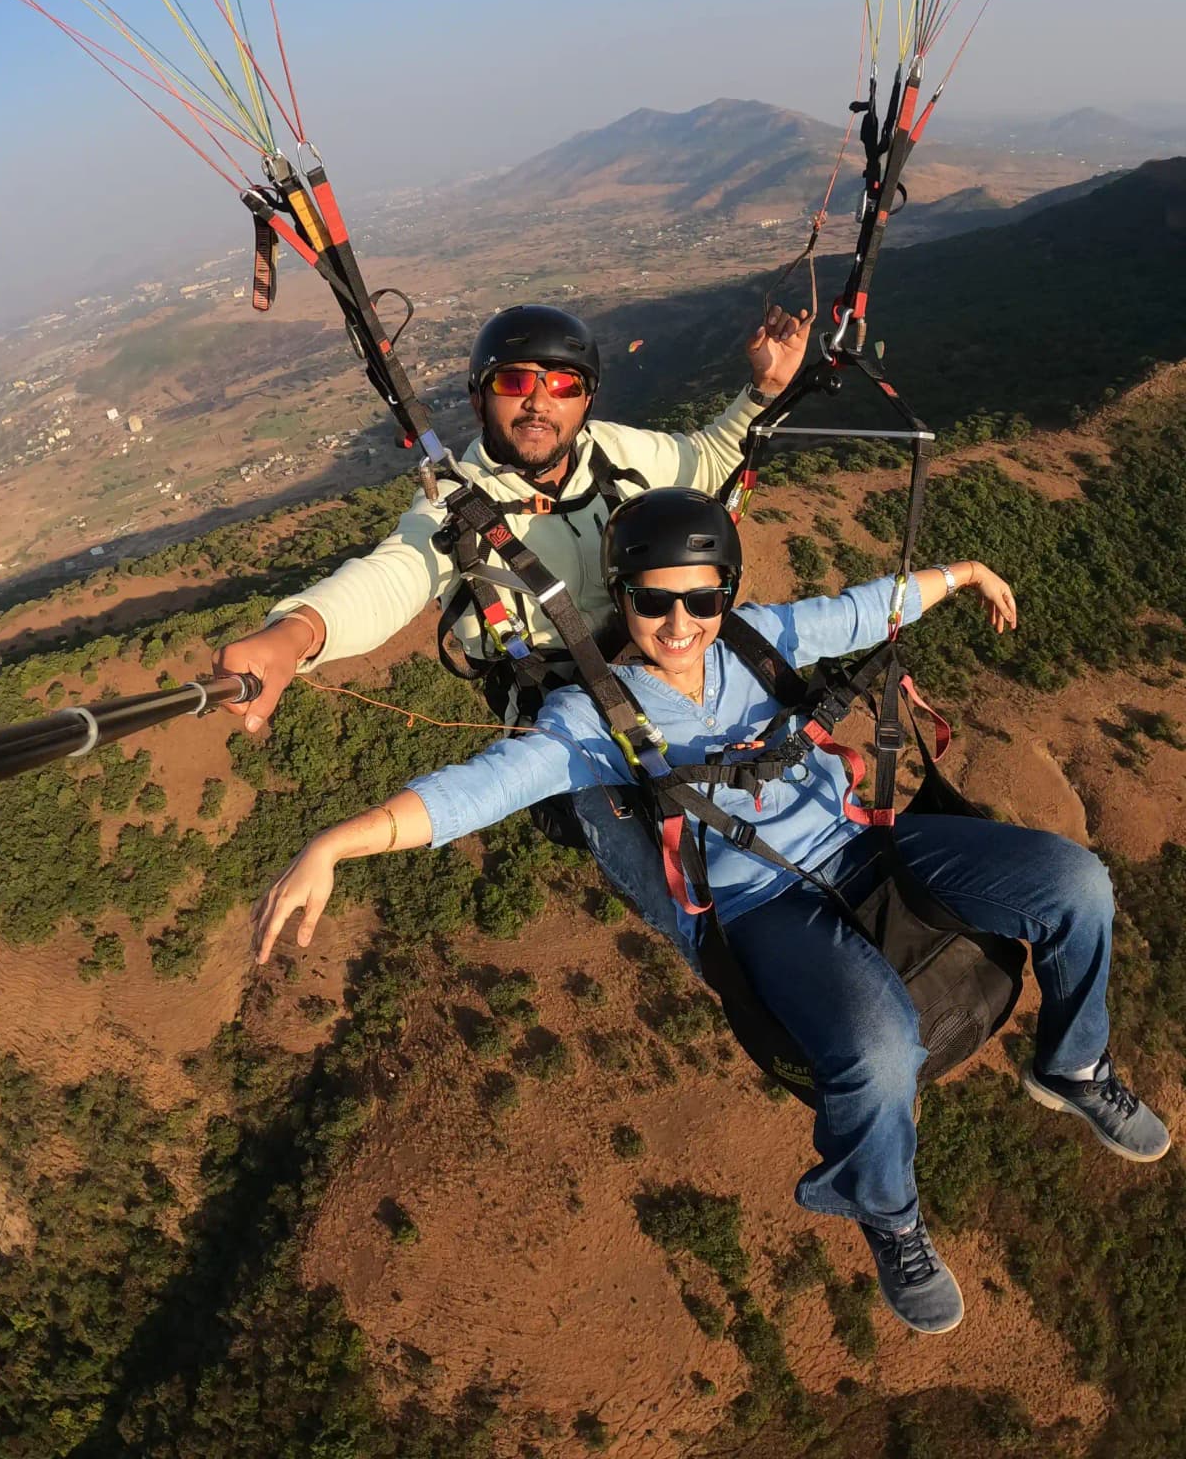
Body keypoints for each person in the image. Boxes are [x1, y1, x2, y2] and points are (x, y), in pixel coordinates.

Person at [251, 487, 1171, 1337]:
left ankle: (1075, 1064)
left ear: (728, 592)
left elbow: (856, 610)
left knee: (1076, 882)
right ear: (622, 597)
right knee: (880, 1047)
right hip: (757, 904)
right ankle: (887, 1209)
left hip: (858, 841)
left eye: (702, 599)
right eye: (654, 602)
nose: (679, 623)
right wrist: (340, 841)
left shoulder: (754, 641)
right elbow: (480, 789)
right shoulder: (594, 716)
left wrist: (961, 575)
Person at [217, 301, 809, 932]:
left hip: (660, 675)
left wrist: (765, 391)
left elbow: (710, 461)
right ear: (480, 399)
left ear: (585, 401)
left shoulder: (616, 454)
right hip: (571, 731)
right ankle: (725, 941)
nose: (538, 402)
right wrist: (298, 633)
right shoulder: (456, 507)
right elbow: (393, 574)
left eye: (562, 385)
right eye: (515, 381)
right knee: (699, 899)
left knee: (782, 749)